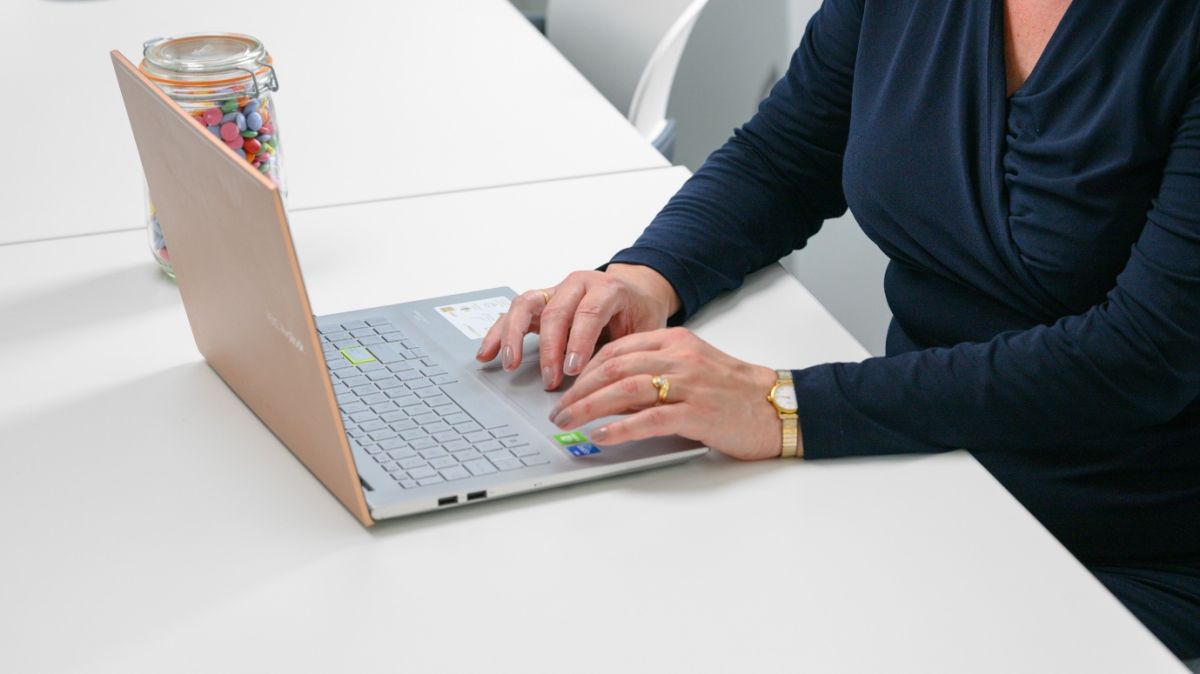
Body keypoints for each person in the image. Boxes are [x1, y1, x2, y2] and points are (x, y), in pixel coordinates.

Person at [479, 0, 1200, 660]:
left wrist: (783, 406)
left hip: (1113, 544)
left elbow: (1138, 358)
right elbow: (786, 155)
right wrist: (646, 278)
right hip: (916, 469)